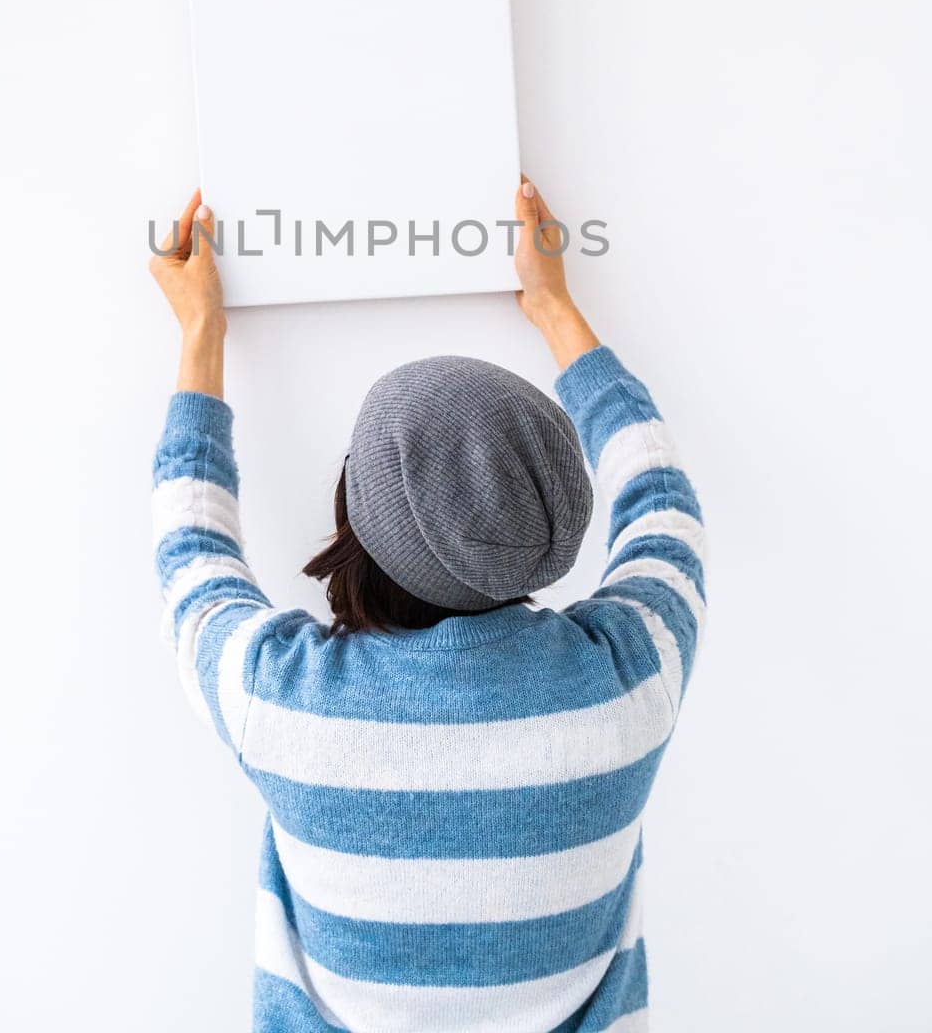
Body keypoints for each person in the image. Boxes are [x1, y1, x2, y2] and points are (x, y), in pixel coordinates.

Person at [149, 180, 705, 1033]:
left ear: (354, 519)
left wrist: (201, 332)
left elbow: (191, 548)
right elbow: (659, 496)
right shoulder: (632, 679)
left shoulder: (279, 697)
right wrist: (555, 307)